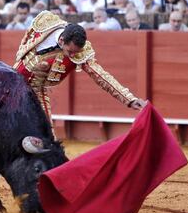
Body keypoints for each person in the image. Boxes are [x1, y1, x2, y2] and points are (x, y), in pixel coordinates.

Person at [13, 10, 146, 127]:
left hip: (36, 91)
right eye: (70, 51)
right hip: (12, 79)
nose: (72, 56)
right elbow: (27, 39)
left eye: (76, 52)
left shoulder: (81, 53)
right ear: (61, 41)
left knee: (47, 137)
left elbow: (101, 76)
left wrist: (129, 99)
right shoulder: (46, 21)